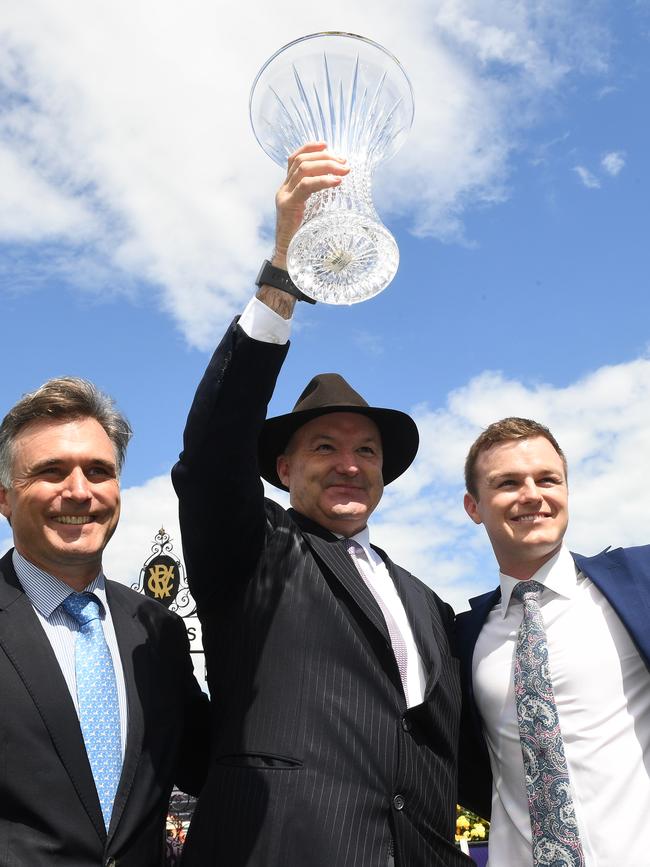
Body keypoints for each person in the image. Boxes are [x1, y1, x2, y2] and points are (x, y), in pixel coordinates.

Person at [172, 142, 470, 866]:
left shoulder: (426, 602)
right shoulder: (257, 550)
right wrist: (281, 272)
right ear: (282, 466)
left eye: (366, 450)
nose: (349, 463)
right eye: (325, 447)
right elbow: (213, 452)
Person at [0, 377, 209, 867]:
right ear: (5, 498)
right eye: (51, 471)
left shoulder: (157, 630)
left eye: (98, 471)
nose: (79, 492)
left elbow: (209, 767)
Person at [456, 417, 650, 866]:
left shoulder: (638, 585)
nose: (532, 495)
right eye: (507, 482)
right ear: (474, 506)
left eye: (547, 479)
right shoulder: (461, 638)